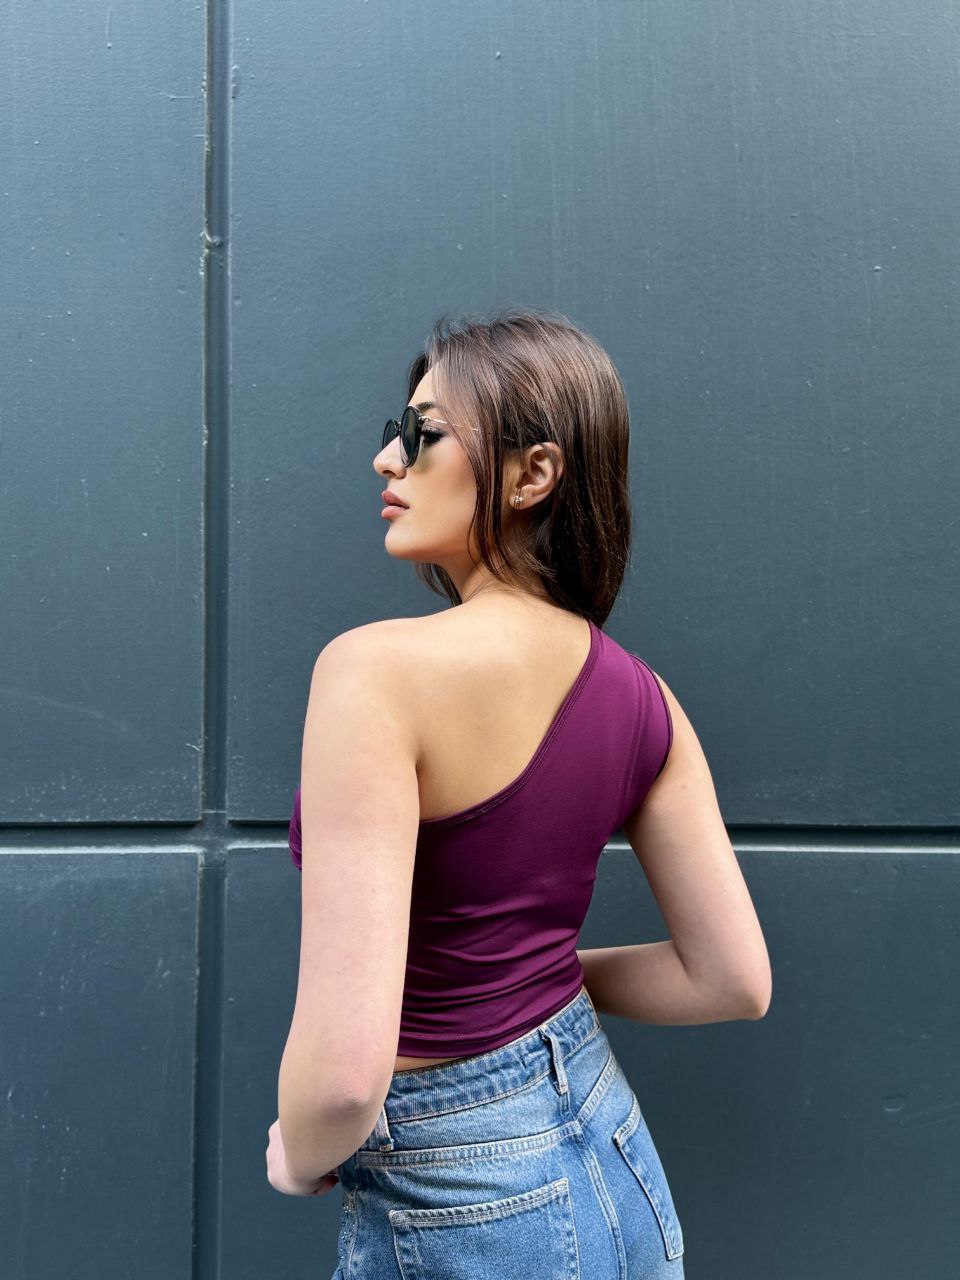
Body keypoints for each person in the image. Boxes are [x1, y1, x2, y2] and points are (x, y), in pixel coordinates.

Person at [280, 307, 772, 1278]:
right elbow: (732, 980)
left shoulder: (372, 674)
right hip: (617, 1159)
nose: (388, 457)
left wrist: (295, 1157)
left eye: (422, 432)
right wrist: (545, 977)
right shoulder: (646, 699)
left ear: (532, 472)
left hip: (465, 1199)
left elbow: (340, 1083)